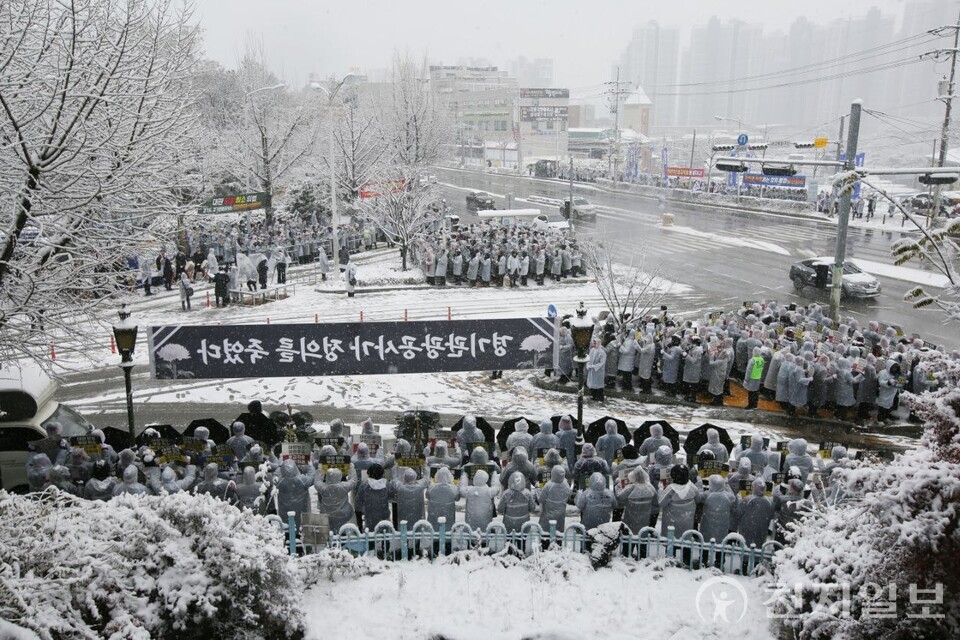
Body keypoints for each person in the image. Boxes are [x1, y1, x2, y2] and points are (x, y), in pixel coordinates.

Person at [657, 465, 700, 536]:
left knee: (671, 545)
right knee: (686, 543)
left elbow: (661, 503)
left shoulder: (670, 489)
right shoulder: (692, 487)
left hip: (671, 526)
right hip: (687, 525)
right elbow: (698, 499)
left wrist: (661, 489)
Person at [275, 459, 316, 529]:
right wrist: (310, 467)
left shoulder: (279, 482)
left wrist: (281, 465)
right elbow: (311, 477)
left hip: (285, 513)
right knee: (302, 526)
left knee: (288, 528)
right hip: (301, 511)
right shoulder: (302, 480)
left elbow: (276, 474)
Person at [736, 478, 775, 549]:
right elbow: (772, 515)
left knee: (745, 548)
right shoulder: (769, 501)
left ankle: (745, 559)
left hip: (746, 529)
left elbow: (739, 513)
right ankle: (757, 559)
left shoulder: (746, 499)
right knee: (758, 548)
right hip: (762, 530)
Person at [316, 468, 357, 534]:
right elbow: (353, 481)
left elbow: (317, 481)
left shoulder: (323, 488)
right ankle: (342, 536)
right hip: (344, 514)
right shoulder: (344, 486)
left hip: (327, 515)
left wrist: (320, 469)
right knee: (342, 529)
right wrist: (351, 468)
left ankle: (332, 537)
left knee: (331, 531)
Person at [697, 475, 737, 544]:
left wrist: (700, 482)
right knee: (721, 543)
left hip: (707, 525)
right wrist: (727, 484)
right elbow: (734, 497)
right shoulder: (729, 496)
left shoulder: (707, 494)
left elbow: (698, 497)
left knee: (705, 543)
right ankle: (720, 554)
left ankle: (704, 554)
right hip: (723, 526)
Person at [616, 467, 656, 534]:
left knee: (629, 540)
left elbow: (620, 496)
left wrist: (618, 486)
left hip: (630, 521)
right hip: (644, 522)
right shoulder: (650, 488)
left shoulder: (632, 487)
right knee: (642, 540)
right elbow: (655, 501)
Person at [356, 463, 390, 532]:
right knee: (385, 534)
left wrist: (359, 523)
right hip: (384, 515)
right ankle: (386, 542)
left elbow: (358, 502)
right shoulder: (386, 484)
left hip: (370, 516)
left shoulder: (364, 485)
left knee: (371, 535)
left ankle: (371, 542)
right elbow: (393, 496)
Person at [537, 465, 572, 530]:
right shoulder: (566, 485)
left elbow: (541, 499)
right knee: (558, 532)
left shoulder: (548, 485)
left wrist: (538, 490)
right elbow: (569, 496)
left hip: (548, 514)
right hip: (560, 515)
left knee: (546, 532)